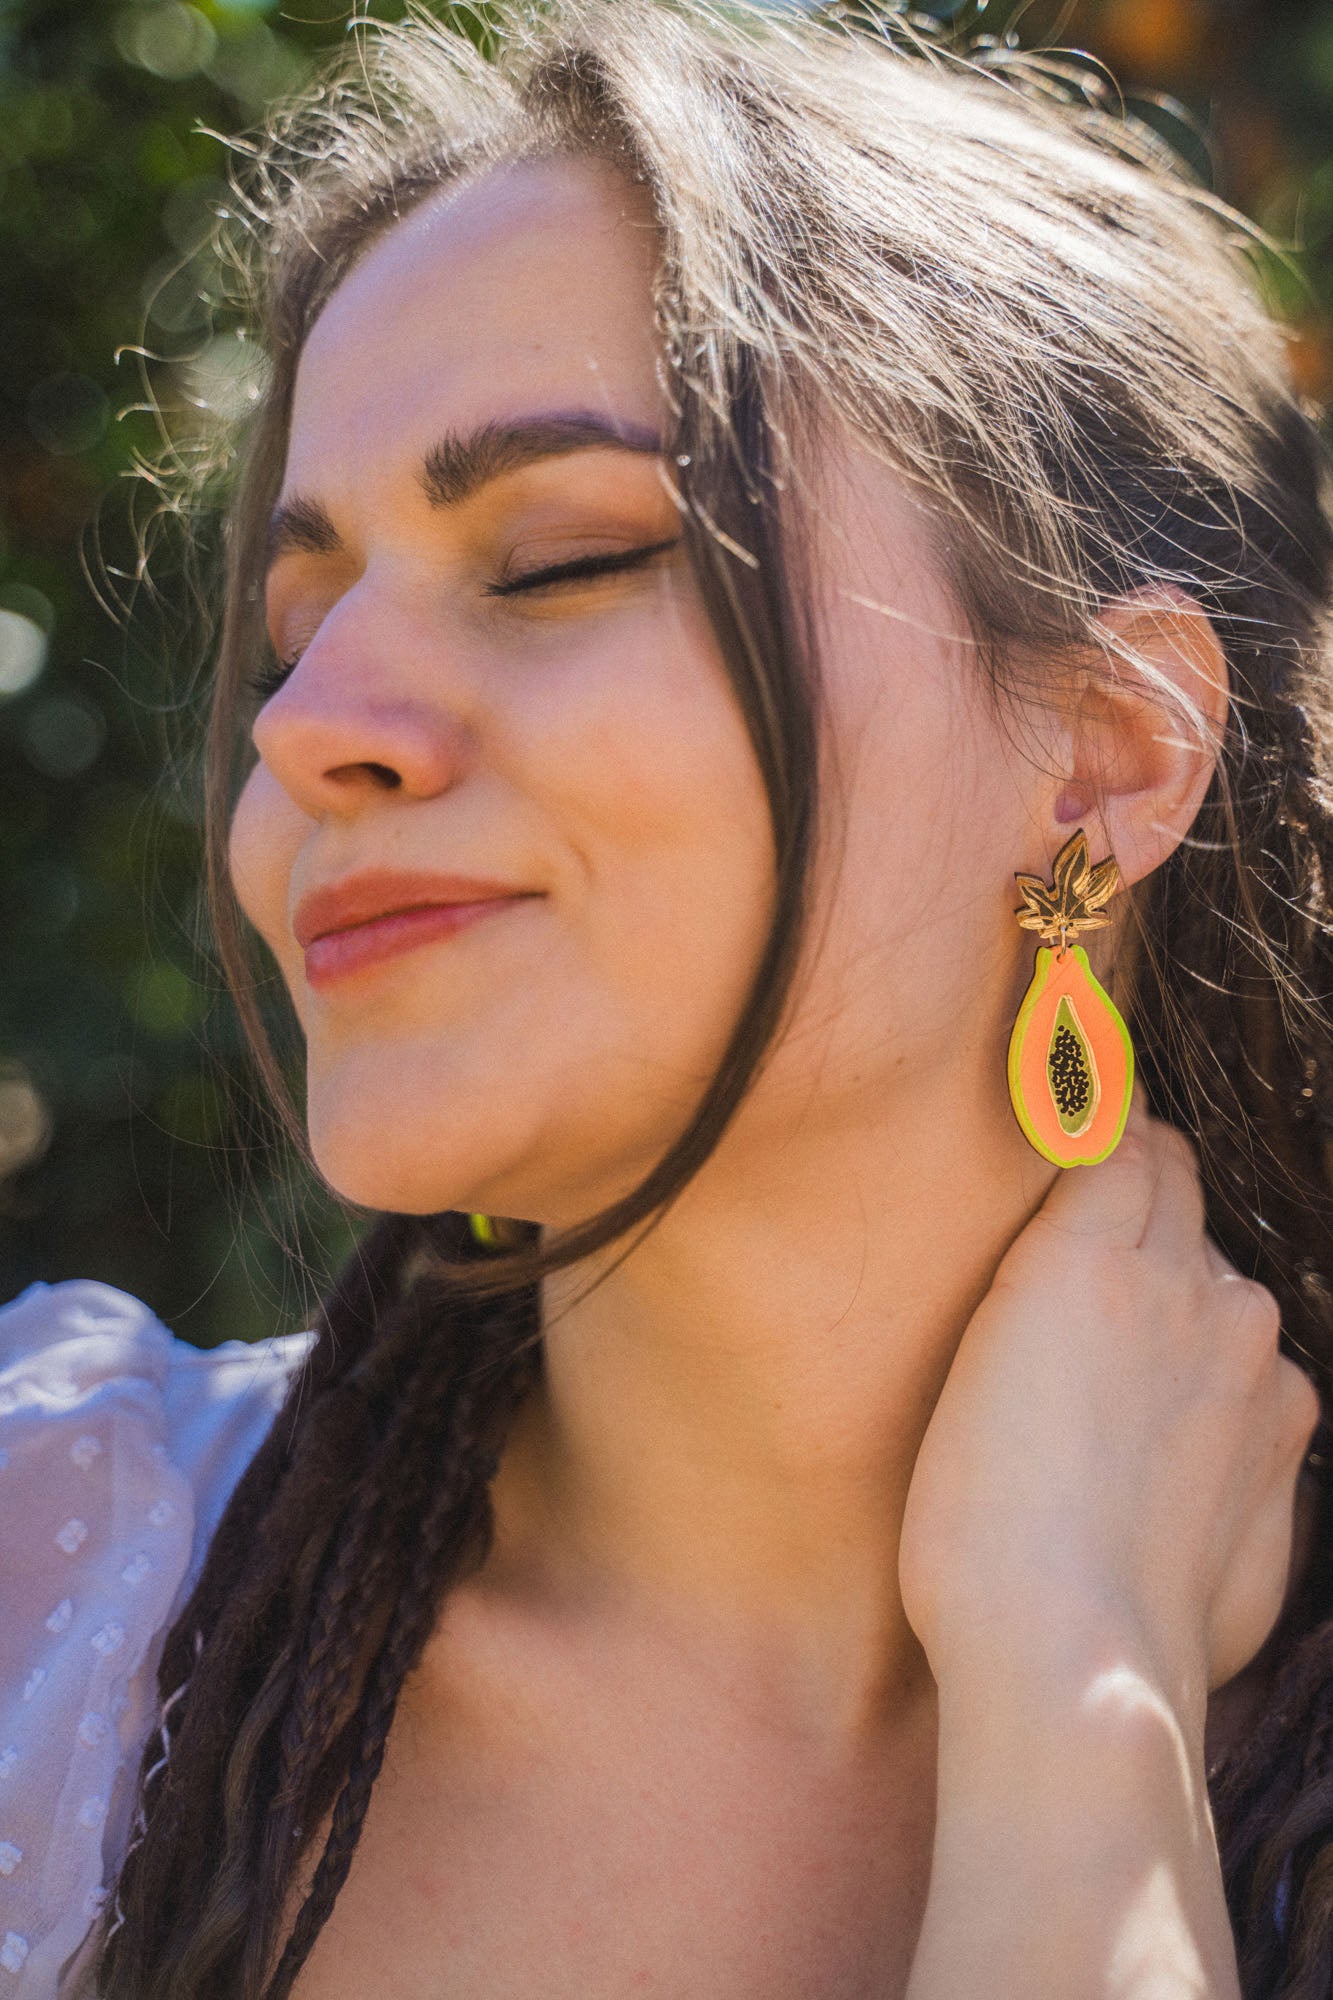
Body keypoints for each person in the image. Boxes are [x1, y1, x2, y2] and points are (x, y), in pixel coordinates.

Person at [1, 2, 1331, 1994]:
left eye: (554, 558)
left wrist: (1073, 1674)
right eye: (297, 621)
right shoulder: (50, 1572)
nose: (309, 730)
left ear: (1102, 758)